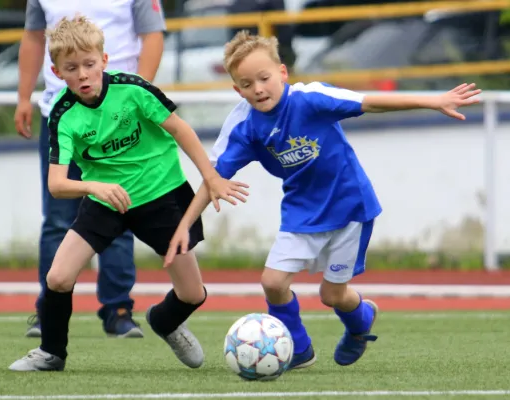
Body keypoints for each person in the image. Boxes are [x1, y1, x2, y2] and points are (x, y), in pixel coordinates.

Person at [164, 30, 481, 369]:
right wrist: (186, 225)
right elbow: (212, 179)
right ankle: (300, 350)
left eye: (264, 78)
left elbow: (370, 102)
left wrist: (433, 101)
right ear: (236, 89)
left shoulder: (310, 98)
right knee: (272, 283)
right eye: (246, 83)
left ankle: (360, 323)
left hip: (349, 209)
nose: (257, 88)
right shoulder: (244, 126)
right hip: (301, 211)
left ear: (282, 73)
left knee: (332, 296)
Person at [8, 15, 249, 372]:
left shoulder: (134, 89)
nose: (84, 75)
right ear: (58, 73)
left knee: (193, 294)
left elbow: (180, 129)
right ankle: (51, 352)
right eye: (72, 68)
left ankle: (165, 321)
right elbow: (57, 185)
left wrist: (210, 177)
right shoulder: (62, 113)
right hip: (106, 200)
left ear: (104, 61)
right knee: (58, 277)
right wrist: (94, 186)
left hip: (162, 194)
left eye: (90, 65)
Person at [14, 0, 166, 338]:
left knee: (119, 208)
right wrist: (24, 96)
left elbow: (152, 36)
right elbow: (34, 37)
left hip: (118, 118)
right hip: (61, 115)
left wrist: (135, 96)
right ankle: (48, 308)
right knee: (57, 218)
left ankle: (118, 309)